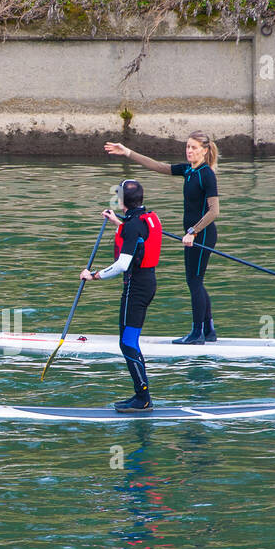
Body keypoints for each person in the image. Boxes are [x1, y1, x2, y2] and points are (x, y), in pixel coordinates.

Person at [104, 132, 221, 344]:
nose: (189, 151)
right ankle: (208, 331)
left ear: (205, 150)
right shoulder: (188, 170)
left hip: (202, 235)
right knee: (196, 281)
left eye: (194, 148)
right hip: (193, 235)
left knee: (194, 282)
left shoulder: (207, 174)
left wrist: (193, 231)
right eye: (187, 147)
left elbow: (214, 211)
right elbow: (158, 166)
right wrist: (127, 152)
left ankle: (197, 334)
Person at [80, 179, 163, 411]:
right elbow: (137, 234)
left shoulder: (133, 225)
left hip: (135, 289)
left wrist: (93, 276)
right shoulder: (150, 218)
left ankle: (143, 398)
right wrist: (119, 223)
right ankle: (141, 393)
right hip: (148, 283)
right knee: (130, 342)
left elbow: (122, 265)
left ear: (122, 200)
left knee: (127, 343)